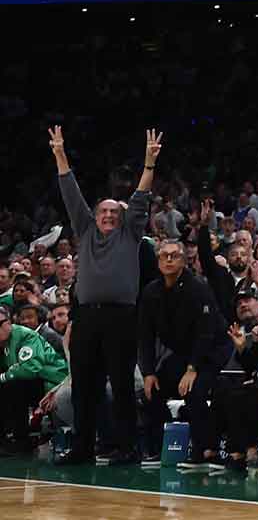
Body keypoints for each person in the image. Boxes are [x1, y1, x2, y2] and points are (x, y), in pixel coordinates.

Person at [50, 126, 159, 465]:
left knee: (123, 383)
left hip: (121, 317)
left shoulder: (131, 233)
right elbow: (71, 193)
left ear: (123, 218)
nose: (109, 215)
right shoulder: (84, 230)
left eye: (114, 212)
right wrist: (59, 154)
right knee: (83, 384)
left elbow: (141, 196)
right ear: (94, 217)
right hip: (86, 316)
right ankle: (83, 448)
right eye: (103, 212)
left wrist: (150, 162)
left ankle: (127, 448)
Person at [138, 238, 231, 470]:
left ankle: (207, 451)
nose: (169, 259)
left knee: (195, 390)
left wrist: (192, 369)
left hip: (212, 349)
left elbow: (206, 333)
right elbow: (145, 337)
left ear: (183, 261)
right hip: (182, 351)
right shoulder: (151, 292)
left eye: (174, 255)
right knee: (152, 390)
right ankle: (158, 449)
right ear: (158, 261)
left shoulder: (198, 288)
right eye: (164, 256)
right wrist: (148, 372)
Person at [0, 303, 68, 454]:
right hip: (34, 382)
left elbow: (30, 368)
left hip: (54, 380)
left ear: (9, 322)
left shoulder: (25, 335)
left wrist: (4, 376)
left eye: (0, 324)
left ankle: (21, 440)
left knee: (13, 386)